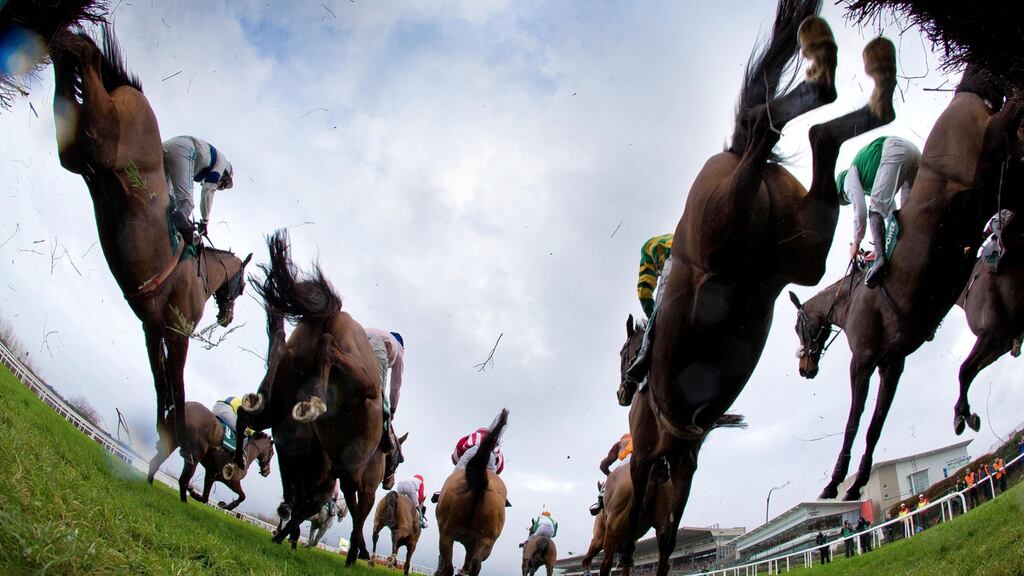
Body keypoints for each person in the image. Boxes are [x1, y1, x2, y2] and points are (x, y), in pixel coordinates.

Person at [835, 135, 921, 287]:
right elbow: (892, 215)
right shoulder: (870, 179)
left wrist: (856, 243)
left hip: (895, 149)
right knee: (908, 216)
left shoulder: (848, 178)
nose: (848, 200)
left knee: (874, 208)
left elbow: (860, 211)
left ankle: (881, 260)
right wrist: (882, 245)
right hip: (913, 153)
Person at [621, 233, 678, 406]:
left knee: (657, 316)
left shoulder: (647, 250)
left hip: (675, 258)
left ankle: (641, 359)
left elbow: (644, 292)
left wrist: (653, 315)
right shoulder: (673, 236)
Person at [162, 135, 234, 245]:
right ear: (225, 175)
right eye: (223, 186)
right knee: (187, 203)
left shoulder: (211, 157)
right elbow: (208, 189)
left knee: (166, 199)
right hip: (186, 151)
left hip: (171, 146)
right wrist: (205, 221)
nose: (219, 187)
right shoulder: (222, 163)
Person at [364, 328, 405, 455]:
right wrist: (392, 409)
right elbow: (395, 386)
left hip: (359, 335)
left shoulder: (382, 333)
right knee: (378, 394)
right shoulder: (399, 349)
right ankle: (385, 437)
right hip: (377, 345)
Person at [590, 434, 633, 515]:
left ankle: (600, 499)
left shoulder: (620, 443)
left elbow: (603, 466)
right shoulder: (639, 436)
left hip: (630, 458)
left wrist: (610, 475)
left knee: (612, 479)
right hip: (649, 459)